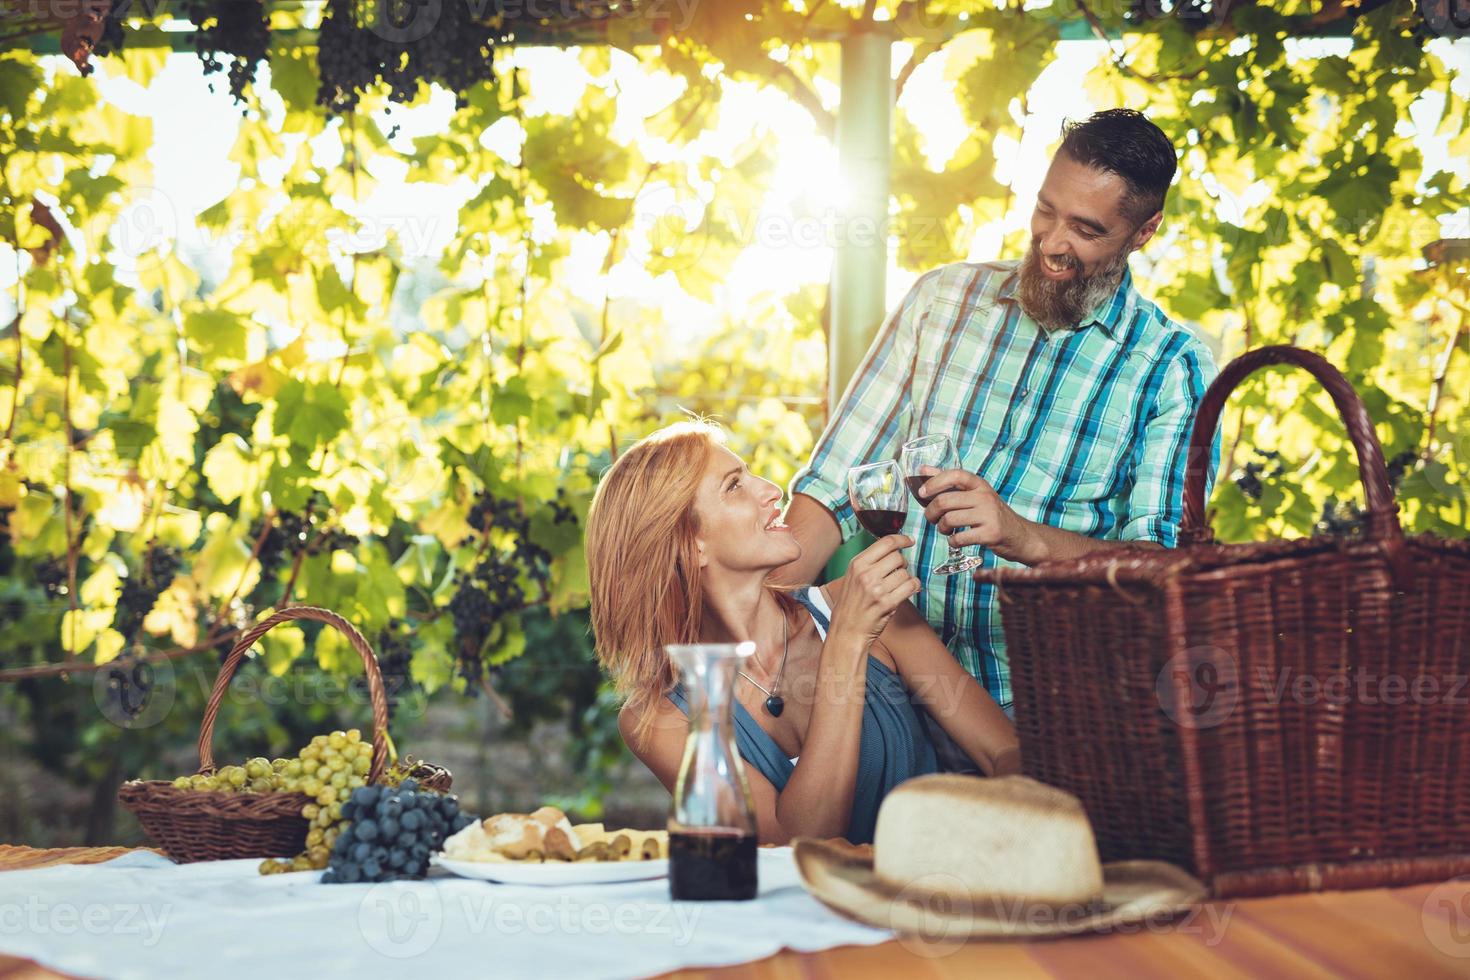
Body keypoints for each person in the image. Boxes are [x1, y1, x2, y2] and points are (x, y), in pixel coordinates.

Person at [779, 109, 1221, 717]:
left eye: (1086, 230)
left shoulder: (1171, 368)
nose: (1053, 243)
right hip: (888, 684)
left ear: (1143, 232)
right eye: (1046, 210)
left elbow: (1162, 572)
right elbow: (831, 484)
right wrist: (754, 635)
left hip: (1047, 710)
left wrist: (1023, 537)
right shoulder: (942, 301)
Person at [586, 421, 1020, 846]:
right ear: (690, 543)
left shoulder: (871, 610)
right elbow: (793, 849)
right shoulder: (660, 721)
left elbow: (1002, 752)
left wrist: (991, 841)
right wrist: (846, 644)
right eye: (735, 485)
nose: (772, 490)